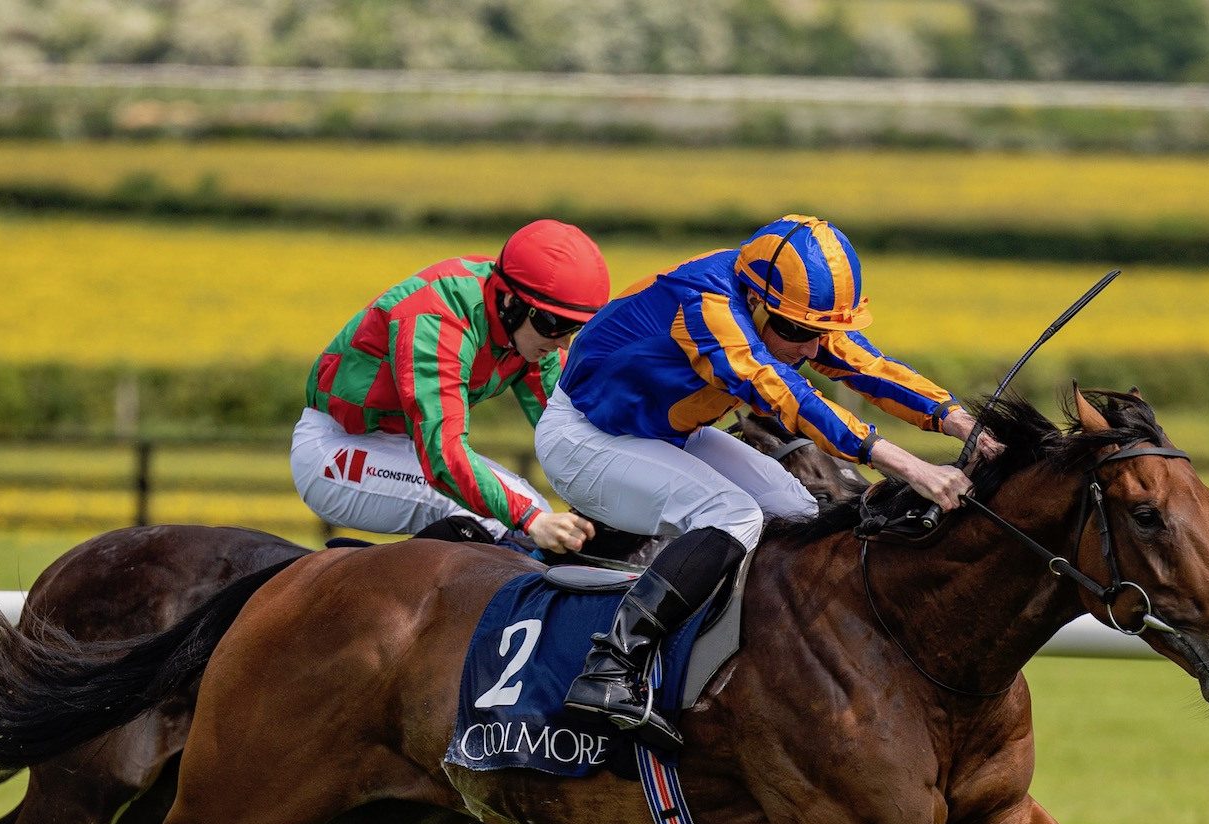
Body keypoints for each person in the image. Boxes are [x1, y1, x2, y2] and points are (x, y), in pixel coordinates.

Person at [538, 213, 1004, 747]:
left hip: (664, 432)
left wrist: (960, 420)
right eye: (797, 333)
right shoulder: (707, 306)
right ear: (757, 301)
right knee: (733, 514)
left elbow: (869, 367)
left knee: (800, 513)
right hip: (585, 439)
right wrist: (912, 466)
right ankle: (610, 667)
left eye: (819, 333)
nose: (809, 349)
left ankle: (763, 661)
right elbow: (786, 395)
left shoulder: (782, 312)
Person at [292, 220, 608, 553]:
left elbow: (566, 432)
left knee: (527, 502)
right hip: (336, 450)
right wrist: (530, 519)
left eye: (574, 328)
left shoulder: (528, 334)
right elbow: (443, 454)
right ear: (509, 303)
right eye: (553, 323)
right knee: (523, 514)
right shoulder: (437, 317)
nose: (562, 342)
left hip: (401, 447)